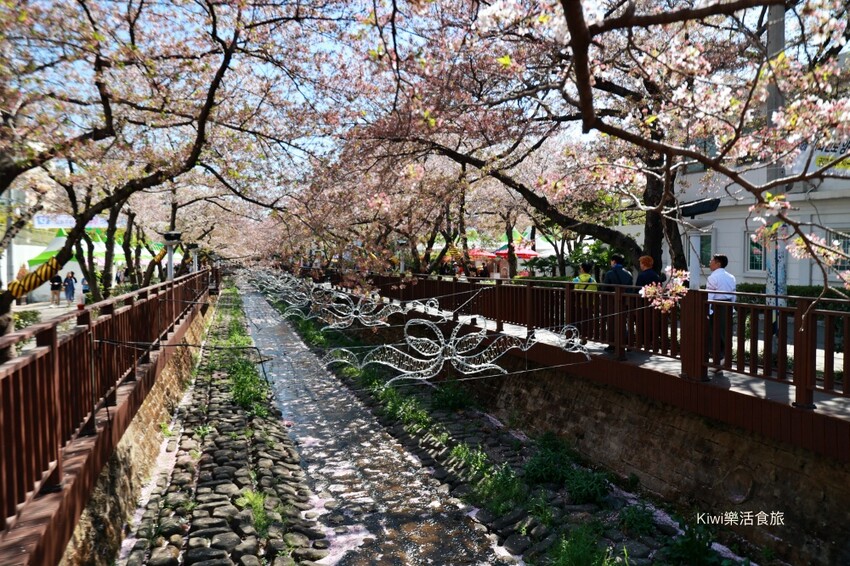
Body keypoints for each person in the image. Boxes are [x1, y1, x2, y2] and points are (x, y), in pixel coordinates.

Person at [706, 254, 736, 372]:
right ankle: (724, 359)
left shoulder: (713, 277)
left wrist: (708, 311)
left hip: (716, 307)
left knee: (714, 334)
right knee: (725, 333)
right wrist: (732, 308)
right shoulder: (731, 277)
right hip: (728, 306)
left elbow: (710, 296)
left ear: (718, 263)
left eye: (712, 260)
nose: (710, 262)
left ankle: (718, 361)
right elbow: (733, 294)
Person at [602, 254, 633, 352]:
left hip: (612, 302)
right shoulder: (628, 273)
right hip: (625, 302)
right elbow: (630, 289)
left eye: (611, 261)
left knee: (611, 323)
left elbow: (604, 289)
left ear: (614, 261)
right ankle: (626, 343)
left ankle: (612, 344)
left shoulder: (609, 274)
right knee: (624, 322)